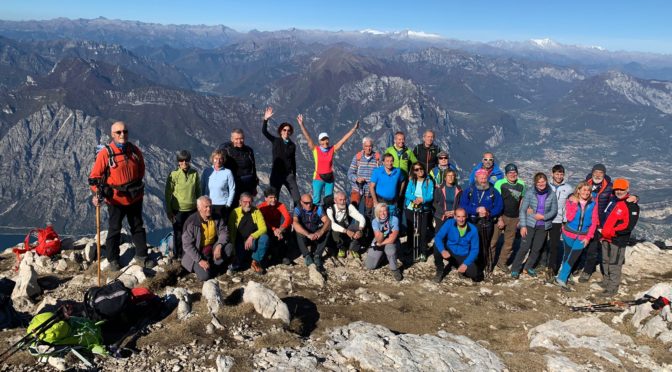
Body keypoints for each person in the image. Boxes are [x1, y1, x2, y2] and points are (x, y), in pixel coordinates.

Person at [89, 121, 155, 270]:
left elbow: (141, 170)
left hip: (134, 197)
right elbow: (94, 177)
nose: (122, 135)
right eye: (118, 132)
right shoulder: (106, 154)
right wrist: (97, 193)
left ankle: (142, 256)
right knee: (114, 228)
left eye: (124, 131)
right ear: (112, 135)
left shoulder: (134, 151)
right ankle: (113, 259)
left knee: (137, 227)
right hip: (115, 200)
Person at [296, 114, 359, 204]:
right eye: (322, 140)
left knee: (329, 201)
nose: (325, 141)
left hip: (329, 179)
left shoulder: (332, 149)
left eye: (326, 139)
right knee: (316, 200)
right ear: (319, 141)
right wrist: (302, 125)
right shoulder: (315, 150)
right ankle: (316, 217)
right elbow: (308, 138)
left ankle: (328, 217)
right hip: (318, 178)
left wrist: (353, 129)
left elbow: (343, 140)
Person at [510, 172, 557, 279]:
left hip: (543, 225)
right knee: (524, 248)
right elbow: (523, 210)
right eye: (538, 182)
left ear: (546, 181)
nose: (541, 184)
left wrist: (543, 217)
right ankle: (515, 269)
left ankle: (528, 267)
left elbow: (554, 210)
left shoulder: (551, 194)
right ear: (535, 183)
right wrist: (523, 225)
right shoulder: (530, 193)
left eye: (543, 181)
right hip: (529, 224)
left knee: (537, 248)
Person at [598, 178, 640, 297]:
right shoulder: (613, 200)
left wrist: (611, 232)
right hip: (605, 236)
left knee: (615, 263)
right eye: (617, 189)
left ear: (627, 189)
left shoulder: (631, 205)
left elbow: (628, 226)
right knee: (605, 260)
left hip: (617, 239)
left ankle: (612, 288)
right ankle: (606, 281)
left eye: (622, 189)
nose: (619, 191)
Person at [555, 182, 599, 289]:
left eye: (588, 190)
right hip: (569, 233)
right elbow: (569, 217)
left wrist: (588, 237)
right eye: (584, 190)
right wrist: (574, 203)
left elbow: (594, 222)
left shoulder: (593, 203)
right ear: (578, 190)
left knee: (572, 258)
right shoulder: (571, 201)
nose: (586, 192)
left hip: (582, 236)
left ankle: (561, 278)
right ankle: (566, 275)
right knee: (567, 256)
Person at [460, 169, 503, 275]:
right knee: (471, 244)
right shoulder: (469, 190)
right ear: (476, 178)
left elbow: (499, 206)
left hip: (487, 222)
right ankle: (469, 266)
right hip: (472, 222)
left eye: (485, 177)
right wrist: (476, 210)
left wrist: (489, 213)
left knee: (484, 245)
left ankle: (482, 266)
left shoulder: (493, 191)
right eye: (481, 178)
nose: (483, 180)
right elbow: (463, 205)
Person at [181, 196, 234, 281]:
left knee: (229, 247)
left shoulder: (217, 217)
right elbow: (187, 245)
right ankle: (208, 267)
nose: (209, 209)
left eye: (210, 206)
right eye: (206, 207)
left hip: (212, 249)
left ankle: (213, 265)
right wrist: (200, 260)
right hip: (197, 253)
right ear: (199, 208)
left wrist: (219, 245)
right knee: (204, 277)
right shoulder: (191, 222)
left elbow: (224, 232)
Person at [164, 150, 200, 259]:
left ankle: (190, 255)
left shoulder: (194, 173)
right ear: (178, 162)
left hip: (192, 210)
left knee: (192, 233)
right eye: (181, 160)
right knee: (178, 234)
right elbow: (168, 194)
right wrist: (169, 211)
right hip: (178, 210)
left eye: (186, 160)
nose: (184, 162)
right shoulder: (173, 175)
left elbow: (198, 191)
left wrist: (199, 207)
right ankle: (178, 255)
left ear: (189, 161)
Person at [262, 106, 300, 208]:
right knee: (273, 199)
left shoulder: (292, 145)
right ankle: (273, 221)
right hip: (276, 175)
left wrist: (294, 176)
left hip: (288, 175)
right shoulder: (275, 141)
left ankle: (297, 220)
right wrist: (266, 120)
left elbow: (293, 161)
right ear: (280, 131)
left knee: (297, 199)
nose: (286, 132)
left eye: (288, 130)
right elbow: (264, 132)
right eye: (284, 130)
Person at [490, 163, 525, 273]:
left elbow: (521, 200)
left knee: (509, 243)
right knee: (493, 241)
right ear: (506, 174)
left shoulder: (521, 184)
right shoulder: (500, 184)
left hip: (514, 217)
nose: (513, 174)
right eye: (510, 172)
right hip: (501, 215)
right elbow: (496, 201)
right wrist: (499, 218)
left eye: (514, 172)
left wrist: (519, 215)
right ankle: (489, 262)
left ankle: (502, 262)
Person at [542, 164, 573, 280]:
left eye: (561, 174)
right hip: (544, 218)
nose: (559, 176)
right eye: (557, 174)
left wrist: (565, 220)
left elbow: (569, 205)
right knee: (541, 242)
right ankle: (542, 263)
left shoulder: (568, 188)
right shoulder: (546, 185)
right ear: (552, 174)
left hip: (557, 219)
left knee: (554, 244)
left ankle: (551, 267)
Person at [433, 208, 480, 283]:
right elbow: (438, 237)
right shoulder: (449, 223)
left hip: (463, 254)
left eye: (463, 216)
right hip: (450, 250)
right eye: (458, 216)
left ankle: (458, 267)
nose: (461, 219)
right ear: (454, 217)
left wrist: (465, 263)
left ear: (466, 216)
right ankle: (439, 270)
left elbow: (475, 249)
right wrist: (443, 250)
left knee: (473, 273)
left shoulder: (473, 229)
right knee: (436, 246)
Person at [228, 193, 268, 274]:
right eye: (245, 202)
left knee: (265, 238)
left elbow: (264, 228)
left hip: (253, 242)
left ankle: (255, 261)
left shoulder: (256, 211)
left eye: (250, 202)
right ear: (240, 202)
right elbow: (231, 231)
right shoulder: (235, 212)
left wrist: (252, 236)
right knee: (237, 264)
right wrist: (233, 249)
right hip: (240, 242)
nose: (248, 204)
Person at [218, 128, 258, 206]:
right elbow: (219, 164)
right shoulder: (226, 150)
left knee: (246, 206)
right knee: (232, 206)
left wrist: (254, 186)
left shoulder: (249, 151)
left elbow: (253, 168)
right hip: (233, 184)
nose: (239, 141)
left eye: (241, 138)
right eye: (236, 139)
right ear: (232, 139)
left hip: (247, 184)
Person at [404, 162, 434, 262]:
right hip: (411, 207)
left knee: (422, 231)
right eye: (416, 169)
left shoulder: (429, 181)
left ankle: (423, 252)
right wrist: (415, 199)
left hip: (424, 209)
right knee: (411, 229)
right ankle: (410, 247)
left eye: (421, 168)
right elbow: (407, 193)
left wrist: (422, 200)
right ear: (414, 171)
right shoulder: (412, 181)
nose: (419, 171)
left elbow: (430, 196)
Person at [293, 193, 331, 272]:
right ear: (301, 202)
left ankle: (317, 255)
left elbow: (327, 221)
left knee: (328, 230)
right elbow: (295, 223)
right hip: (305, 235)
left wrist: (321, 231)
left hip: (316, 234)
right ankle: (307, 255)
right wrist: (308, 234)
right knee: (298, 231)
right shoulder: (298, 209)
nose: (309, 205)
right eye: (306, 203)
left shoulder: (317, 208)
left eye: (310, 202)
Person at [365, 203, 403, 281]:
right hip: (380, 238)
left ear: (387, 211)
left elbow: (392, 239)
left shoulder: (394, 219)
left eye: (384, 211)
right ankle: (383, 257)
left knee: (390, 250)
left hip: (391, 240)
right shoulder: (375, 221)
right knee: (370, 265)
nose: (382, 213)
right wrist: (382, 231)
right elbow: (378, 239)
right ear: (377, 212)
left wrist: (379, 244)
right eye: (380, 211)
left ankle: (394, 269)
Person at [258, 187, 293, 265]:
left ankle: (283, 255)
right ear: (265, 198)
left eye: (275, 197)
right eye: (271, 198)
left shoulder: (280, 205)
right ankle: (267, 254)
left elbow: (288, 218)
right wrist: (274, 229)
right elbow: (263, 222)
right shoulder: (261, 208)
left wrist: (280, 229)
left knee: (288, 228)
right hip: (267, 229)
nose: (273, 200)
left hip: (278, 229)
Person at [326, 191, 366, 259]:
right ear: (335, 201)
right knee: (335, 230)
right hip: (335, 232)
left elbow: (361, 217)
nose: (343, 202)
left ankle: (353, 249)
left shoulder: (349, 206)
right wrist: (346, 231)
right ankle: (341, 248)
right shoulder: (330, 209)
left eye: (344, 199)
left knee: (360, 227)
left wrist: (360, 230)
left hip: (346, 227)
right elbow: (333, 225)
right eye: (340, 200)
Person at [347, 137, 381, 217]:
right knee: (353, 211)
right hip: (357, 188)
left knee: (368, 213)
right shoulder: (357, 157)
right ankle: (354, 229)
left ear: (372, 147)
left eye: (370, 146)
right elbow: (350, 173)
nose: (368, 148)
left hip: (370, 191)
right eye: (366, 146)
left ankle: (366, 229)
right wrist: (356, 179)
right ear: (363, 146)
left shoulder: (377, 158)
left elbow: (381, 174)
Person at [201, 149, 235, 220]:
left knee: (221, 228)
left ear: (223, 160)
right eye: (216, 158)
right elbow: (202, 187)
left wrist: (228, 204)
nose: (218, 161)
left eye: (221, 159)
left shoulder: (228, 172)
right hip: (208, 205)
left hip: (222, 205)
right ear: (212, 159)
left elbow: (232, 189)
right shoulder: (207, 171)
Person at [370, 153, 406, 217]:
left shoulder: (398, 171)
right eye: (387, 161)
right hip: (380, 201)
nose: (389, 163)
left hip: (393, 203)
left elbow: (403, 181)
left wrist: (400, 193)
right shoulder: (377, 171)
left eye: (391, 161)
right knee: (380, 223)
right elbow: (371, 187)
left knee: (393, 222)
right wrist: (375, 201)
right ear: (383, 162)